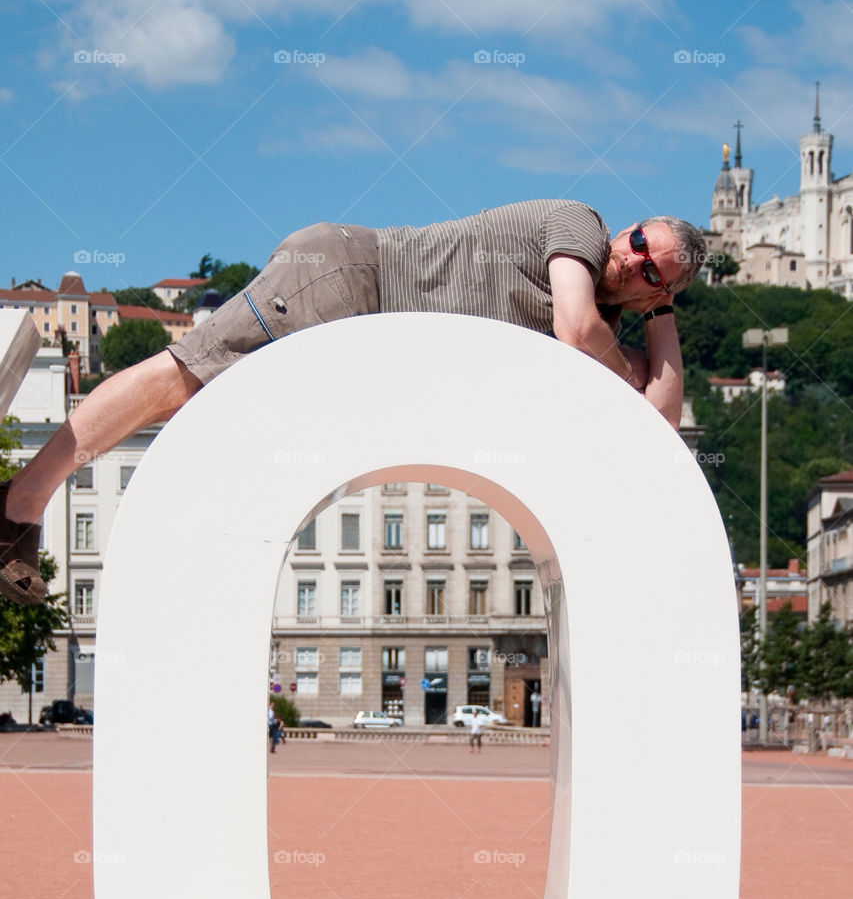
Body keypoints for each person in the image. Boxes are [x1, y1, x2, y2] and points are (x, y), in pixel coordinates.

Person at [0, 201, 706, 605]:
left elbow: (654, 425)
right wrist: (621, 350)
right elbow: (576, 328)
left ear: (659, 290)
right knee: (181, 376)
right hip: (350, 283)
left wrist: (658, 321)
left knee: (216, 422)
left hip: (370, 352)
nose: (630, 256)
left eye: (652, 270)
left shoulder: (617, 326)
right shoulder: (577, 225)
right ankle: (20, 505)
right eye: (637, 239)